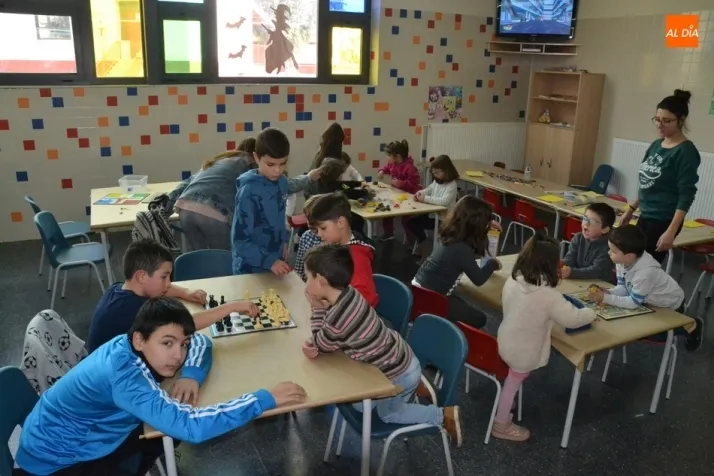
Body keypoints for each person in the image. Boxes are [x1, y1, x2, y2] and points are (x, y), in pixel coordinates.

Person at [14, 298, 307, 476]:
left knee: (163, 433)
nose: (178, 355)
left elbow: (200, 341)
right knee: (171, 432)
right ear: (140, 339)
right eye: (167, 343)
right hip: (57, 464)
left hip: (81, 437)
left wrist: (190, 374)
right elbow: (191, 425)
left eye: (182, 344)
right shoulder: (126, 376)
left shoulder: (131, 344)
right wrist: (264, 398)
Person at [301, 244, 462, 446]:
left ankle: (442, 415)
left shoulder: (338, 319)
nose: (306, 282)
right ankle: (413, 387)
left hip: (397, 372)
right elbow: (334, 333)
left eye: (307, 277)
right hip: (398, 356)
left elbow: (321, 343)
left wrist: (317, 309)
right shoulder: (349, 293)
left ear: (321, 281)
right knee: (359, 406)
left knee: (388, 415)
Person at [495, 235, 597, 441]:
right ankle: (501, 424)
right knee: (514, 381)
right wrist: (591, 312)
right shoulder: (547, 293)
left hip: (506, 339)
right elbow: (572, 319)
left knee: (511, 379)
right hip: (523, 349)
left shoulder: (514, 279)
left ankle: (505, 403)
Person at [87, 239, 258, 355]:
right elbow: (186, 324)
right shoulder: (135, 310)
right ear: (141, 276)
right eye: (164, 277)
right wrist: (231, 307)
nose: (168, 283)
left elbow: (159, 289)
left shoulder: (119, 288)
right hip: (108, 384)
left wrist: (185, 293)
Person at [175, 138, 323, 251]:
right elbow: (284, 186)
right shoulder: (249, 164)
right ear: (256, 156)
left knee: (200, 258)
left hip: (185, 208)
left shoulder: (219, 161)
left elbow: (185, 183)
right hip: (213, 212)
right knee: (225, 259)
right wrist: (308, 178)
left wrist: (167, 204)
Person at [619, 89, 701, 264]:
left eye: (667, 121)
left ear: (681, 120)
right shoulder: (657, 145)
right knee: (630, 261)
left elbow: (686, 195)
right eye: (657, 119)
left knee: (644, 266)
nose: (660, 125)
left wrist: (671, 230)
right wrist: (630, 209)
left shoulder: (685, 151)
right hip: (645, 215)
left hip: (663, 220)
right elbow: (647, 183)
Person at [589, 225, 702, 350]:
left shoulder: (645, 273)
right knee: (638, 329)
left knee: (652, 334)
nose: (609, 253)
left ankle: (691, 326)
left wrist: (605, 298)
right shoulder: (622, 262)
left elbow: (633, 302)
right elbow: (624, 288)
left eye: (613, 251)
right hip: (649, 301)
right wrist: (608, 292)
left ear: (629, 256)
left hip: (671, 304)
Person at [413, 196, 501, 329]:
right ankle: (445, 332)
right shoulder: (461, 249)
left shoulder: (449, 235)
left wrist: (487, 226)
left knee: (461, 305)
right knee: (480, 319)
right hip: (432, 299)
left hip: (419, 291)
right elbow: (479, 279)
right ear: (477, 224)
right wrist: (493, 263)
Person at [294, 192, 378, 307]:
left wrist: (330, 305)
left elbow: (365, 301)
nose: (319, 234)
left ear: (341, 222)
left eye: (323, 228)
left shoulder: (356, 257)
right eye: (317, 230)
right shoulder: (334, 247)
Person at [232, 128, 294, 276]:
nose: (277, 171)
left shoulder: (282, 182)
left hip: (275, 263)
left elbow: (281, 219)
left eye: (283, 164)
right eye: (270, 164)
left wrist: (284, 240)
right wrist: (269, 261)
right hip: (249, 268)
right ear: (256, 157)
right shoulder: (248, 191)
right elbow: (240, 241)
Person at [409, 154, 460, 259]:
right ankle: (424, 244)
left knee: (418, 222)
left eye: (437, 172)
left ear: (446, 170)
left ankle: (426, 248)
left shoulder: (452, 184)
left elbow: (444, 201)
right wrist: (420, 193)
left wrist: (425, 198)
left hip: (444, 219)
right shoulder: (437, 181)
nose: (435, 175)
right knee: (412, 222)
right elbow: (429, 189)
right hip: (433, 215)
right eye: (434, 173)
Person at [376, 139, 422, 240]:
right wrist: (381, 171)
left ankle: (411, 238)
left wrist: (400, 183)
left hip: (409, 197)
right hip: (397, 194)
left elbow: (414, 183)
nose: (388, 158)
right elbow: (386, 168)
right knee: (387, 212)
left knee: (406, 220)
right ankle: (389, 233)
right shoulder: (392, 163)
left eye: (389, 155)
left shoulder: (409, 167)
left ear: (397, 156)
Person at [561, 202, 616, 282]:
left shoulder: (609, 247)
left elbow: (596, 271)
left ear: (604, 229)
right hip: (580, 281)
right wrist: (561, 264)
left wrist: (571, 272)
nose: (586, 224)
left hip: (600, 284)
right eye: (585, 218)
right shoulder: (578, 238)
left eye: (593, 222)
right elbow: (570, 259)